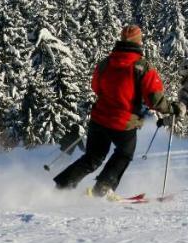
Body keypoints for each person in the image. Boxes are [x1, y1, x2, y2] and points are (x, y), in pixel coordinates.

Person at [53, 24, 179, 199]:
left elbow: (96, 87)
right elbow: (154, 99)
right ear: (139, 42)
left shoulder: (106, 63)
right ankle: (103, 187)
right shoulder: (142, 67)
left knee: (93, 157)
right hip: (123, 121)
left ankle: (62, 186)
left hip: (99, 118)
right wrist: (172, 108)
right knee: (124, 154)